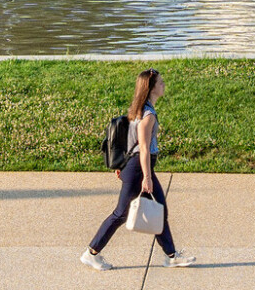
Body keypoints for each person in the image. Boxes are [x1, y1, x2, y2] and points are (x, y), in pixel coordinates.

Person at [83, 69, 195, 271]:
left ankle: (171, 256)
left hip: (135, 166)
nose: (163, 85)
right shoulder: (148, 114)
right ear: (151, 88)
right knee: (120, 214)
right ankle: (92, 252)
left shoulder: (138, 109)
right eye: (161, 83)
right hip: (138, 169)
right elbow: (142, 147)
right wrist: (147, 177)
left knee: (160, 209)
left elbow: (129, 141)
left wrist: (124, 167)